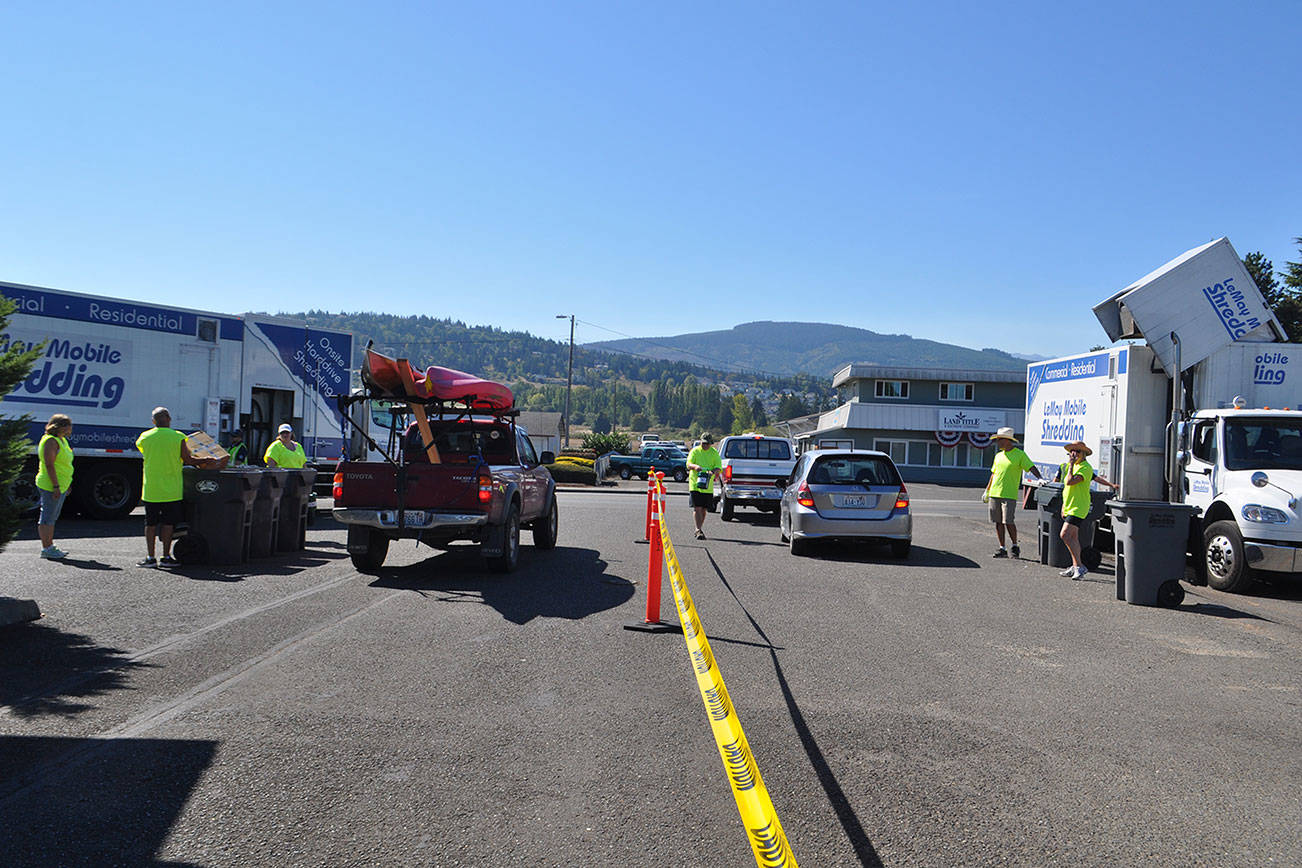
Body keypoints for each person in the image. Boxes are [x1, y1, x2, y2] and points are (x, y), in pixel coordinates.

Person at [136, 407, 207, 567]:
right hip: (172, 489)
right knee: (168, 524)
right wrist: (206, 459)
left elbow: (143, 451)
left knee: (150, 524)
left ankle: (150, 558)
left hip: (151, 489)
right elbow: (188, 460)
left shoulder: (144, 437)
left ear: (153, 421)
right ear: (169, 419)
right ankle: (166, 557)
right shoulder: (178, 437)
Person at [1056, 441, 1117, 580]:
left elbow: (1070, 481)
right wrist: (1064, 506)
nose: (1074, 454)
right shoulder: (1073, 467)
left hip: (1079, 507)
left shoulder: (1085, 468)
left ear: (1084, 454)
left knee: (1064, 534)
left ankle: (1079, 566)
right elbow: (1067, 488)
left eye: (1077, 451)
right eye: (1072, 451)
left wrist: (1070, 465)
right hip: (1070, 505)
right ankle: (1076, 565)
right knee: (1073, 537)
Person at [983, 427, 1042, 558]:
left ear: (1008, 441)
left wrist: (1040, 478)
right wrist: (987, 490)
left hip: (1009, 494)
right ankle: (1002, 548)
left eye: (1000, 440)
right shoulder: (998, 456)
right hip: (995, 493)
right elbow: (994, 474)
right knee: (998, 522)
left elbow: (1031, 467)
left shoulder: (1019, 455)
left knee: (1008, 521)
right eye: (997, 440)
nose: (998, 442)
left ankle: (1015, 545)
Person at [35, 413, 74, 559]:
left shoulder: (61, 440)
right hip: (50, 484)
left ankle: (49, 546)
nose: (71, 428)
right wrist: (56, 486)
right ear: (61, 426)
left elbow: (64, 464)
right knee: (47, 517)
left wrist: (66, 484)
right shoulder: (51, 441)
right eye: (69, 425)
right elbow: (49, 465)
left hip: (61, 484)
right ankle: (47, 548)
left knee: (52, 516)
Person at [686, 432, 722, 540]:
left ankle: (699, 528)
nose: (705, 445)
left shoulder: (714, 453)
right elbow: (688, 464)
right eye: (703, 443)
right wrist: (695, 466)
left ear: (710, 444)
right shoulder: (695, 451)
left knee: (704, 509)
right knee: (697, 508)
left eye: (707, 444)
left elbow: (718, 467)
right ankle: (698, 529)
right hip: (695, 484)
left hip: (707, 486)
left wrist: (713, 472)